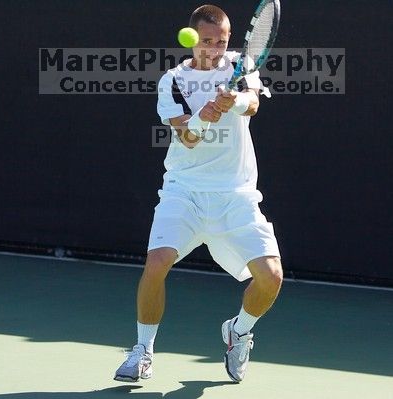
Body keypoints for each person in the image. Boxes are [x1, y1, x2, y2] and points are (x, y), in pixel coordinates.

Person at [114, 4, 283, 383]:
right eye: (207, 41)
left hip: (236, 196)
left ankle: (238, 332)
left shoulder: (242, 65)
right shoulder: (172, 81)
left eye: (221, 41)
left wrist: (233, 101)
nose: (215, 49)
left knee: (271, 277)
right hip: (184, 191)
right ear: (193, 39)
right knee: (156, 263)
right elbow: (187, 139)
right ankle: (143, 350)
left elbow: (252, 104)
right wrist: (202, 118)